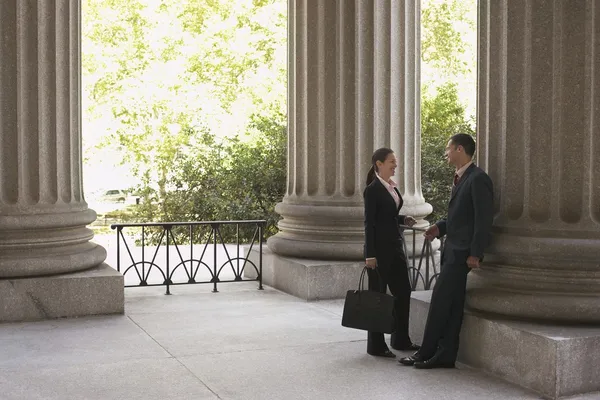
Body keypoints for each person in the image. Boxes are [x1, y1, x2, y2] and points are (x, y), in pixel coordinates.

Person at [399, 133, 494, 369]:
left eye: (448, 149)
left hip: (462, 254)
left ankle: (424, 352)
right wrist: (438, 228)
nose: (446, 153)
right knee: (452, 305)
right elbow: (459, 216)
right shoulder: (462, 178)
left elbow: (482, 220)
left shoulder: (478, 179)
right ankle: (446, 355)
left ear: (460, 149)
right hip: (452, 250)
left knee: (440, 301)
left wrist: (476, 253)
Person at [363, 147, 420, 358]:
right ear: (379, 163)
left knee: (403, 292)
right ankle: (376, 346)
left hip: (396, 249)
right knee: (378, 299)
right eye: (392, 162)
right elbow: (370, 224)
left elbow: (387, 216)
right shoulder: (372, 190)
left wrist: (402, 219)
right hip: (378, 254)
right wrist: (370, 255)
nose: (395, 165)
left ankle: (401, 339)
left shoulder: (392, 188)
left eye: (395, 162)